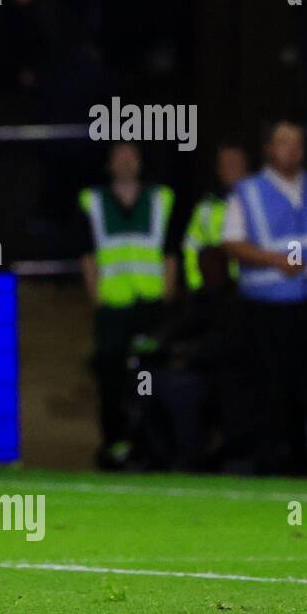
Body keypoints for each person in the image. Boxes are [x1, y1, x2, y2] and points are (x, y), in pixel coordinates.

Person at [222, 120, 307, 475]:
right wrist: (276, 260)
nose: (293, 149)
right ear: (268, 149)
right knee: (274, 393)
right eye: (284, 142)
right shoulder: (248, 191)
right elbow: (231, 242)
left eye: (298, 143)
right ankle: (279, 469)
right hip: (270, 310)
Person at [78, 141, 179, 469]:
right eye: (118, 156)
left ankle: (151, 447)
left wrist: (167, 296)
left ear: (140, 162)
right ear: (109, 164)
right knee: (111, 380)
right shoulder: (92, 201)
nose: (124, 162)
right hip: (112, 307)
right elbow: (87, 254)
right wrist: (96, 297)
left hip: (150, 306)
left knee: (151, 378)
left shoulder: (162, 199)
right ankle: (115, 446)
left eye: (130, 156)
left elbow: (170, 253)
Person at [182, 145, 247, 292]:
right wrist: (196, 286)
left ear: (245, 166)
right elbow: (191, 248)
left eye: (236, 163)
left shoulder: (260, 201)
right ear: (219, 169)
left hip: (256, 288)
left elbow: (288, 243)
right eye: (227, 164)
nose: (232, 168)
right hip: (217, 291)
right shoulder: (205, 208)